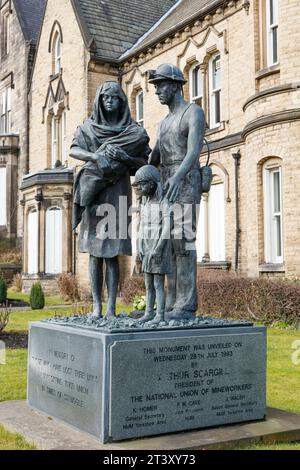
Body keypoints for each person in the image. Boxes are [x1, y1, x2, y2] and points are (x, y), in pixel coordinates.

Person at [70, 81, 151, 318]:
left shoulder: (133, 131)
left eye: (114, 98)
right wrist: (95, 157)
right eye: (105, 98)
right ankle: (96, 305)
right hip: (94, 194)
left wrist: (125, 157)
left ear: (122, 102)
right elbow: (74, 149)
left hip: (117, 193)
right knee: (95, 252)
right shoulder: (89, 127)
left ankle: (111, 307)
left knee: (113, 252)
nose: (110, 102)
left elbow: (144, 165)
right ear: (99, 101)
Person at [148, 64, 205, 320]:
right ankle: (169, 303)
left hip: (186, 180)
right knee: (167, 244)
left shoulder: (193, 113)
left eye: (160, 85)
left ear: (175, 85)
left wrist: (178, 177)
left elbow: (193, 152)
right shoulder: (163, 123)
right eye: (156, 86)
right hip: (165, 183)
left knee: (183, 242)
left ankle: (186, 303)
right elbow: (154, 157)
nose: (157, 91)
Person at [132, 165, 171, 324]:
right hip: (146, 248)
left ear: (153, 183)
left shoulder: (164, 202)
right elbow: (141, 226)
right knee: (148, 283)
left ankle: (160, 315)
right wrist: (139, 245)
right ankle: (148, 312)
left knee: (158, 283)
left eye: (143, 184)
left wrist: (159, 248)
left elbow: (168, 227)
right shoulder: (145, 203)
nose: (140, 188)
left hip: (158, 248)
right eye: (138, 185)